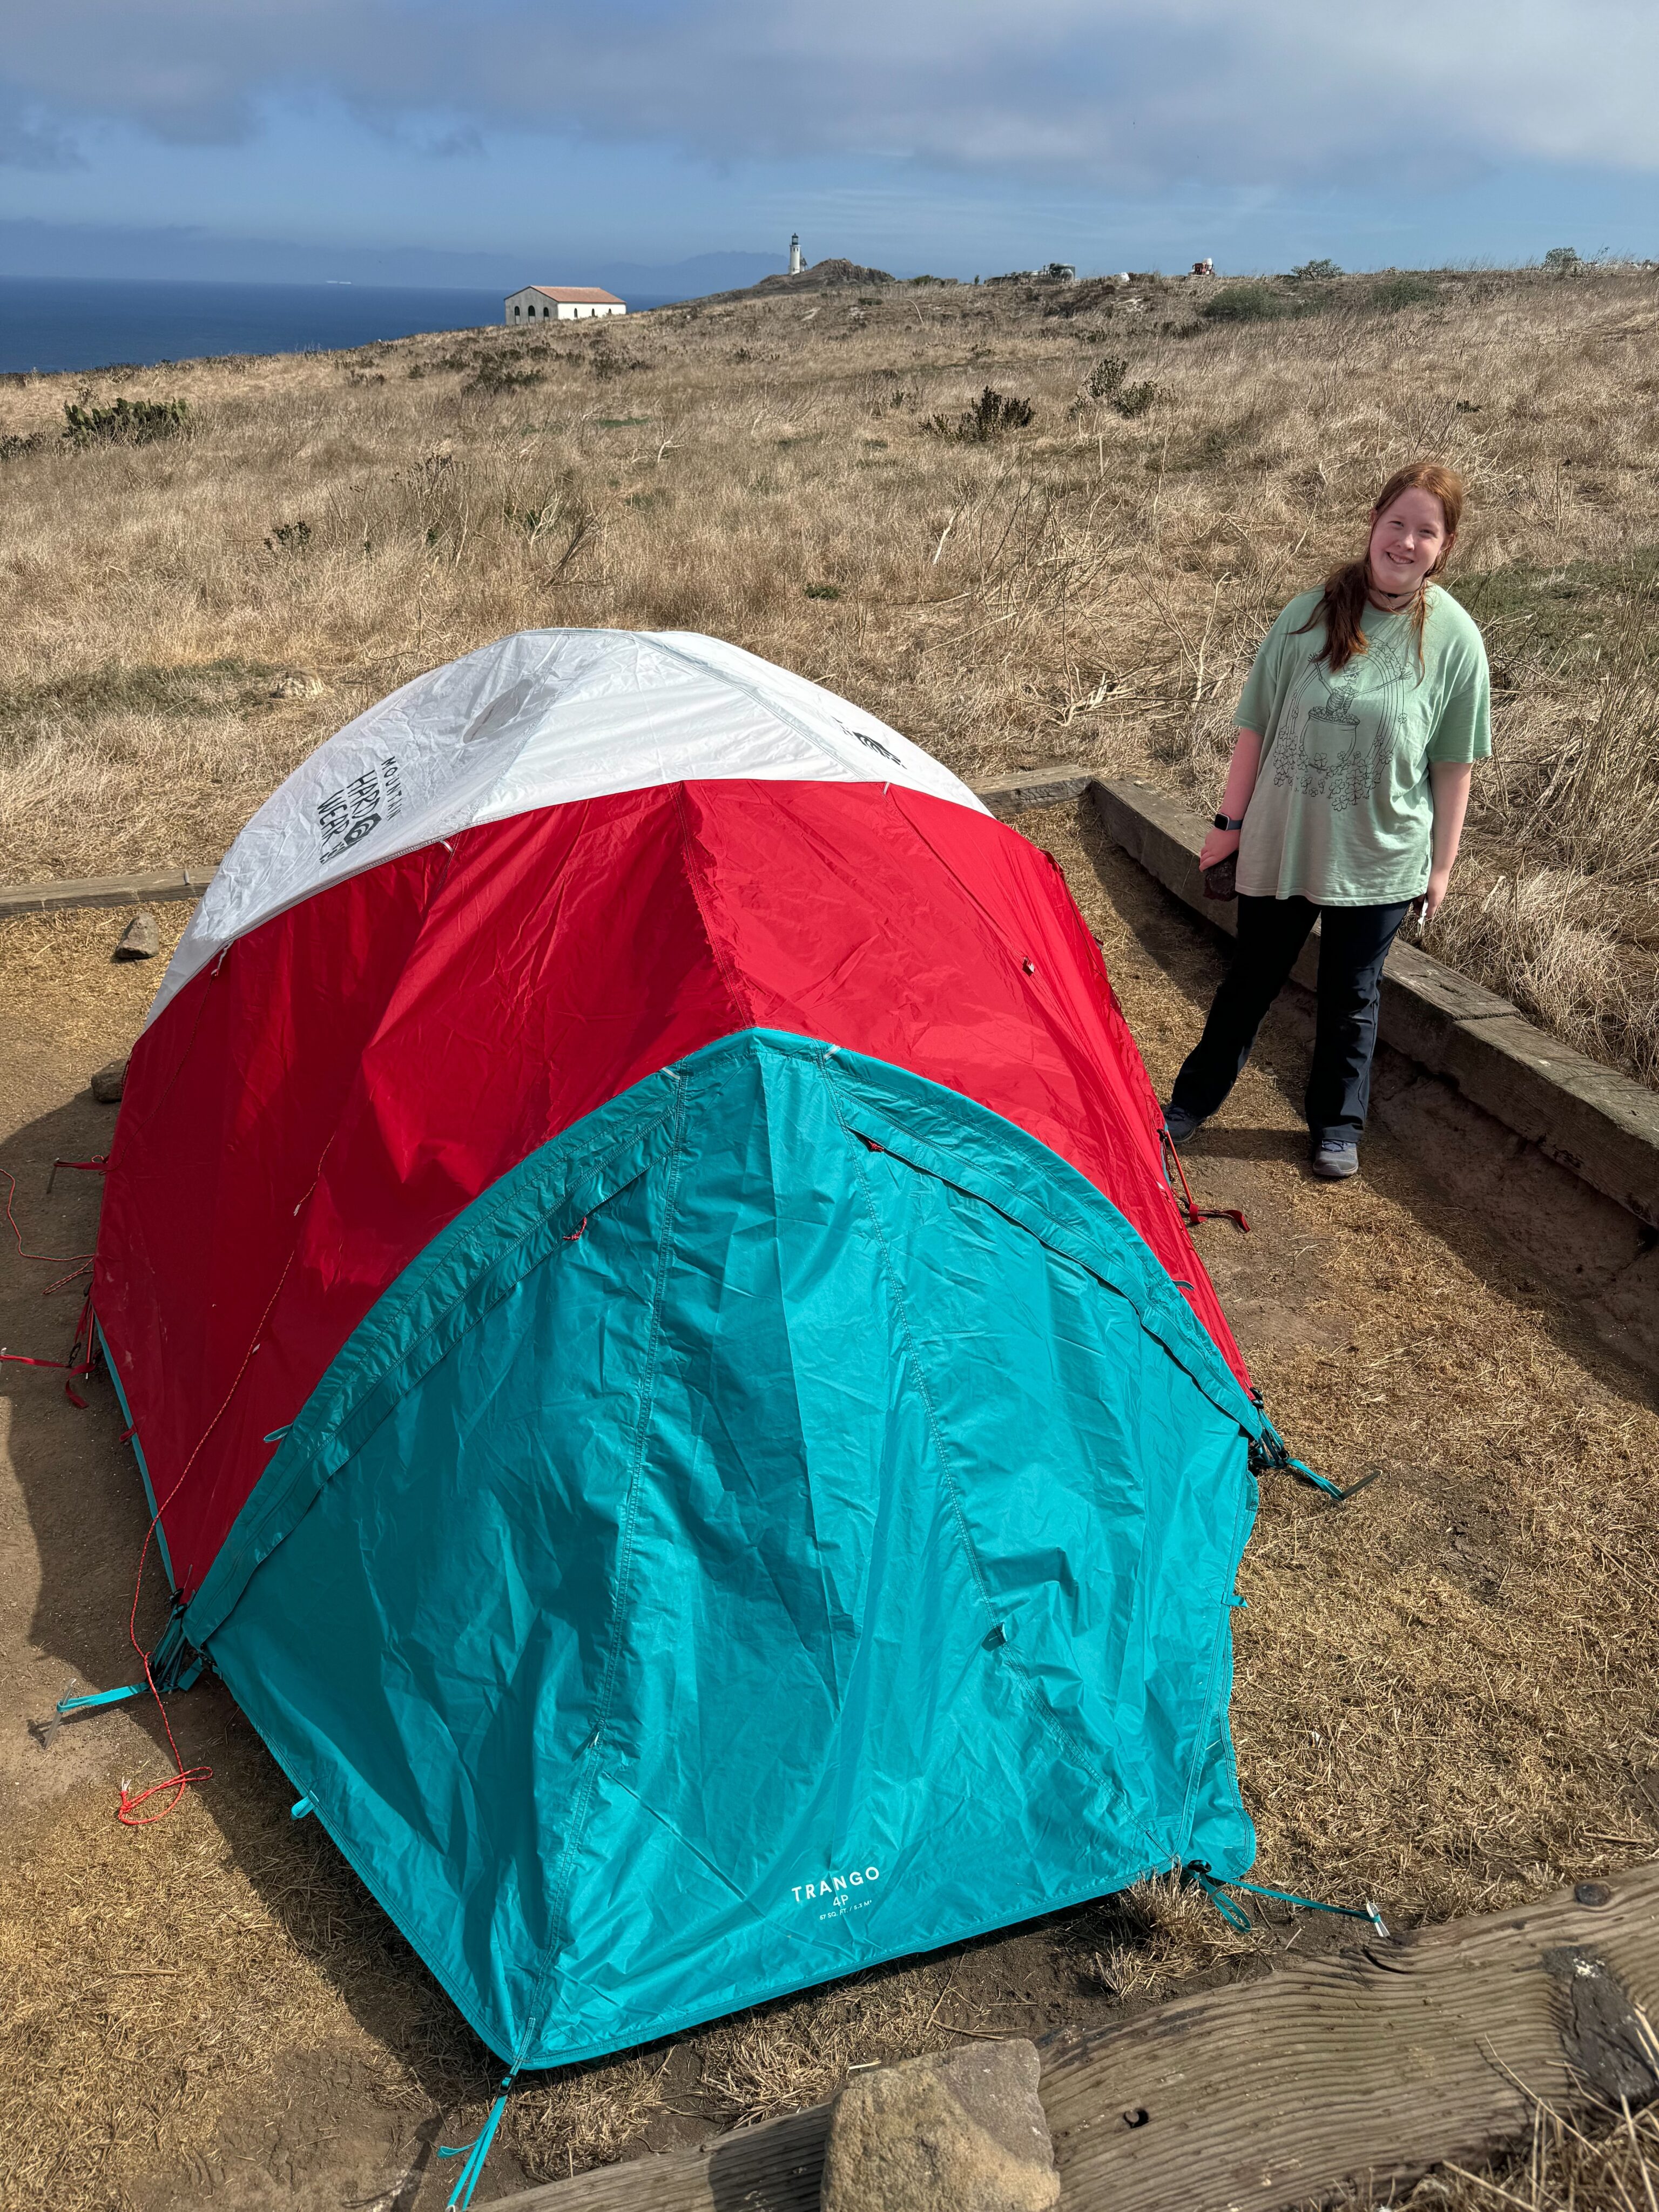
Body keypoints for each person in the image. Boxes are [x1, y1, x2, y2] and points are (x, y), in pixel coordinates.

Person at [1163, 460, 1491, 1181]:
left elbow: (1454, 764)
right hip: (1283, 842)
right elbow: (1255, 726)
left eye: (1425, 532)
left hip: (1380, 854)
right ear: (1373, 525)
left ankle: (1336, 1128)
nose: (1406, 543)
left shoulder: (1456, 640)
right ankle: (1190, 1102)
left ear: (1447, 546)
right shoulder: (1308, 613)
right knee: (1248, 982)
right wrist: (1229, 822)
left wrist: (1441, 866)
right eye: (1396, 524)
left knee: (1352, 1000)